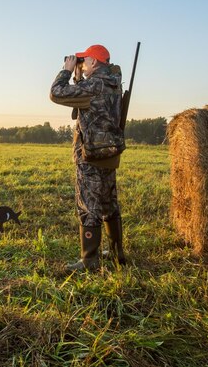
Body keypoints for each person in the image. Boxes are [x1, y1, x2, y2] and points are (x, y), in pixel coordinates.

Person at [49, 44, 127, 271]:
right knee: (108, 203)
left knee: (88, 206)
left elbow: (56, 93)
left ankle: (89, 260)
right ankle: (116, 253)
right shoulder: (112, 83)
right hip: (109, 152)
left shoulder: (93, 85)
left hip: (91, 154)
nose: (81, 65)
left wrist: (66, 70)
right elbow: (84, 100)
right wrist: (78, 78)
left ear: (94, 61)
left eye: (84, 61)